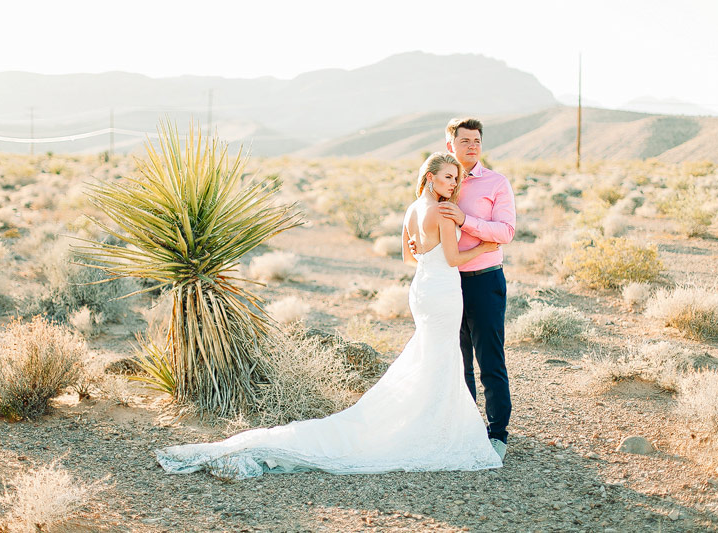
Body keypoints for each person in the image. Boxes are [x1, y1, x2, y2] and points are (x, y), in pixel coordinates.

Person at [155, 152, 503, 480]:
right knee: (441, 357)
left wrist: (428, 251)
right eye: (447, 177)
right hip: (442, 290)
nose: (454, 184)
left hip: (423, 287)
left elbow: (408, 257)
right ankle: (434, 428)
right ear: (430, 177)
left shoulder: (414, 208)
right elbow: (456, 259)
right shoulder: (442, 213)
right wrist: (489, 245)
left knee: (433, 357)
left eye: (456, 178)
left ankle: (430, 422)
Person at [411, 117, 516, 462]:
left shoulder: (496, 183)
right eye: (465, 140)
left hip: (485, 279)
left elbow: (505, 232)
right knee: (458, 362)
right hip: (448, 285)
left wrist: (464, 220)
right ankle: (466, 428)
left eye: (477, 140)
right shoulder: (444, 182)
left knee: (490, 360)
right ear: (450, 145)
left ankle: (497, 432)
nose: (472, 146)